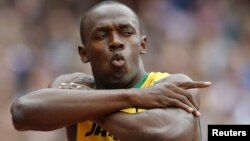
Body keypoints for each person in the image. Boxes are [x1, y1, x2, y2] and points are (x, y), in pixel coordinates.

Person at [11, 1, 211, 141]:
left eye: (126, 33)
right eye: (101, 35)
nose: (116, 42)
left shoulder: (173, 85)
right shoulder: (73, 83)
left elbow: (163, 135)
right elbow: (22, 113)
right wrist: (134, 97)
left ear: (142, 45)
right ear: (84, 53)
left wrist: (85, 107)